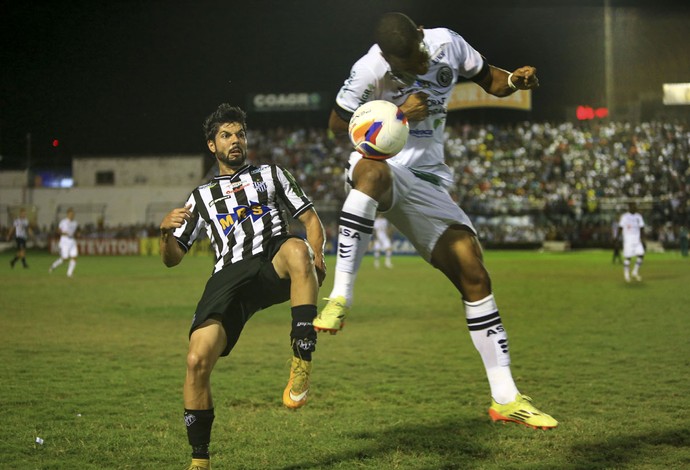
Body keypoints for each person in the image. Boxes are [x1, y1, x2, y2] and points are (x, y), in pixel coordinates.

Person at [313, 12, 557, 429]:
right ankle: (340, 297)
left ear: (422, 38)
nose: (421, 66)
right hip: (382, 166)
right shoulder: (370, 68)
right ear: (389, 60)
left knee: (475, 274)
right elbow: (337, 125)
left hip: (430, 181)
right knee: (370, 171)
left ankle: (505, 398)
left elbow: (492, 81)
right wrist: (397, 112)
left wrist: (515, 81)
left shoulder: (448, 42)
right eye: (409, 65)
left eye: (420, 55)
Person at [159, 104, 326, 470]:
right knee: (196, 360)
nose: (235, 141)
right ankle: (199, 459)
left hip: (272, 260)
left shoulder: (272, 174)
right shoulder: (200, 197)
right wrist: (164, 232)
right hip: (228, 275)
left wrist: (318, 257)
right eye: (226, 136)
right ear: (212, 146)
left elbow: (311, 220)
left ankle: (302, 357)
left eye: (239, 135)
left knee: (298, 249)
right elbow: (173, 258)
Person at [616, 202, 645, 282]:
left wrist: (643, 239)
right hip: (628, 240)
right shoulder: (625, 217)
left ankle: (635, 272)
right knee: (628, 257)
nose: (634, 208)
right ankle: (626, 275)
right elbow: (620, 228)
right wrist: (617, 239)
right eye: (633, 206)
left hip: (637, 239)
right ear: (629, 208)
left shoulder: (638, 217)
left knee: (641, 255)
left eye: (635, 206)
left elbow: (642, 228)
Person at [49, 208, 79, 277]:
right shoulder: (63, 222)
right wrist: (63, 233)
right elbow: (58, 230)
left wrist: (77, 234)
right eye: (71, 214)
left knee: (74, 257)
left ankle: (69, 273)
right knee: (65, 259)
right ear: (67, 214)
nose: (72, 215)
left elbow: (74, 231)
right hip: (65, 241)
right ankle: (53, 266)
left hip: (72, 241)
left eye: (73, 214)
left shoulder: (75, 223)